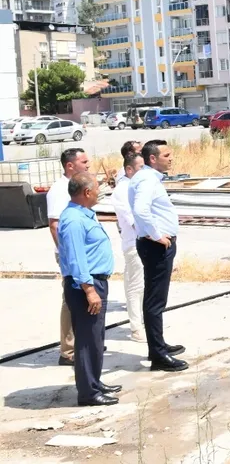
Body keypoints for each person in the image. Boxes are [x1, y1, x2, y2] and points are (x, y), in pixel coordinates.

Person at [58, 171, 121, 406]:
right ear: (86, 192)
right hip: (85, 286)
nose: (99, 192)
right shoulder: (74, 220)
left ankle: (94, 381)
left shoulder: (83, 214)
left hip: (95, 282)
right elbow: (76, 259)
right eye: (96, 188)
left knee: (96, 337)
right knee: (87, 340)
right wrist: (89, 290)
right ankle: (88, 393)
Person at [129, 140, 188, 372]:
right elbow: (140, 210)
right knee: (155, 301)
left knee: (157, 300)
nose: (171, 158)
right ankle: (158, 355)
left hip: (155, 244)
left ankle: (159, 344)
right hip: (156, 246)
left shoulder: (149, 178)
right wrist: (157, 236)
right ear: (152, 159)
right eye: (166, 154)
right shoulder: (146, 180)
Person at [47, 148, 90, 366]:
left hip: (81, 253)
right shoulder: (59, 190)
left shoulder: (76, 187)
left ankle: (84, 341)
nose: (88, 165)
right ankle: (69, 350)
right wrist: (66, 254)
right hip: (69, 254)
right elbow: (54, 225)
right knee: (70, 300)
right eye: (84, 162)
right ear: (70, 165)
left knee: (83, 298)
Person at [109, 153, 146, 342]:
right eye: (140, 167)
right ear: (129, 169)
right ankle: (136, 327)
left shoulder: (139, 186)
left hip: (146, 242)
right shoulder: (122, 190)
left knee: (143, 285)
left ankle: (143, 321)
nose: (144, 170)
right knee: (135, 286)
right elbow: (134, 221)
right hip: (135, 243)